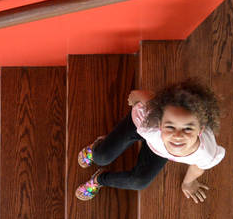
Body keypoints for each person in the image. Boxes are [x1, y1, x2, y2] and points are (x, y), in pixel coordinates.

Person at [75, 79, 224, 204]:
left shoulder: (206, 154)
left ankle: (100, 179)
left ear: (200, 130)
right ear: (160, 123)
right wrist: (135, 98)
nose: (177, 136)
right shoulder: (149, 122)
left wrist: (188, 183)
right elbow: (140, 97)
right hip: (142, 127)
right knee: (101, 157)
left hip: (158, 148)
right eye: (170, 126)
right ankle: (98, 147)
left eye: (187, 129)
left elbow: (198, 167)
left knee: (140, 182)